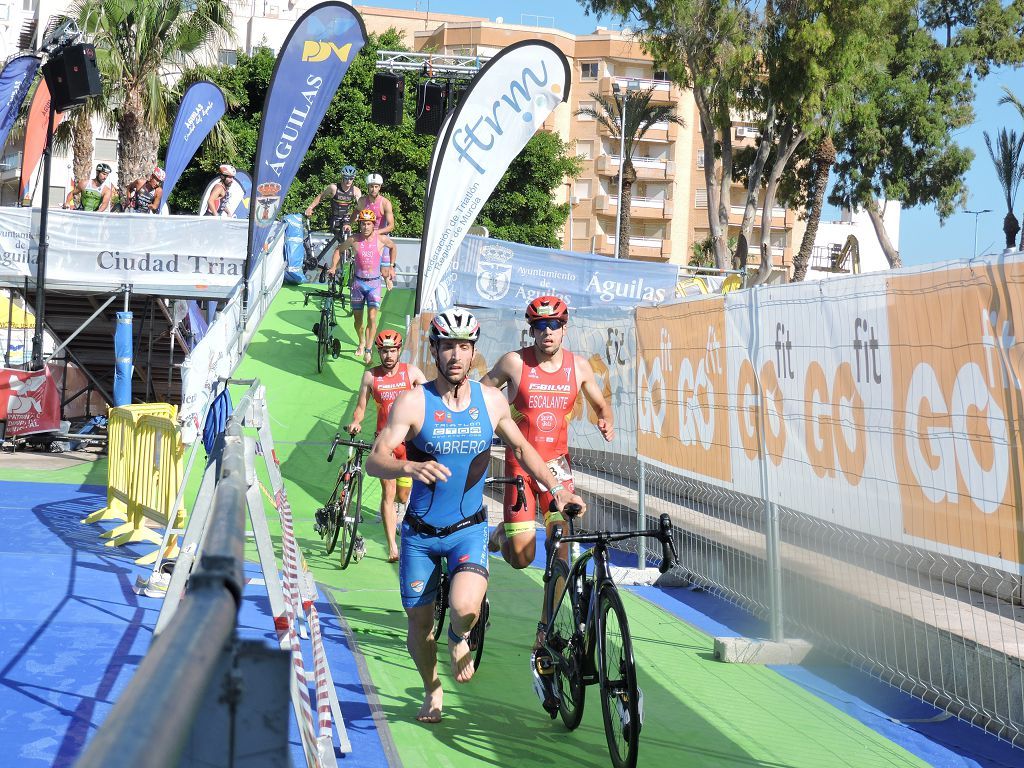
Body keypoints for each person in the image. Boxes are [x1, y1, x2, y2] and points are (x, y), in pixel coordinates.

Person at [366, 307, 585, 723]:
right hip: (419, 535)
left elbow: (522, 449)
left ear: (473, 353)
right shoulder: (413, 402)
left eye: (464, 347)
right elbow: (376, 459)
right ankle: (433, 689)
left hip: (468, 529)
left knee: (466, 606)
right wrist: (407, 467)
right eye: (447, 346)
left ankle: (461, 636)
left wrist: (558, 489)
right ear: (434, 350)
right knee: (419, 628)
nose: (455, 355)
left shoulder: (491, 401)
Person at [481, 295, 614, 647]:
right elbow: (480, 394)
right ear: (532, 331)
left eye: (553, 325)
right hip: (520, 467)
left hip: (558, 470)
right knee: (522, 557)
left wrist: (604, 419)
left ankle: (546, 628)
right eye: (539, 327)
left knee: (560, 547)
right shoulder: (514, 362)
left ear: (564, 328)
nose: (547, 333)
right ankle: (499, 536)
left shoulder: (579, 367)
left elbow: (601, 403)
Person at [346, 329, 427, 562]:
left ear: (399, 350)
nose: (389, 355)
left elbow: (430, 397)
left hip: (410, 443)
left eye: (392, 351)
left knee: (403, 495)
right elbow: (361, 406)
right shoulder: (370, 377)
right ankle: (393, 546)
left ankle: (402, 511)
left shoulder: (411, 373)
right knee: (388, 492)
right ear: (379, 352)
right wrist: (355, 421)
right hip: (385, 441)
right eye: (384, 351)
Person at [329, 208, 398, 364]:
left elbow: (393, 247)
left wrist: (392, 266)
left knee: (372, 318)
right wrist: (334, 267)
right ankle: (361, 341)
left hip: (374, 284)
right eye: (363, 224)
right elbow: (338, 250)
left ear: (373, 225)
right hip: (358, 284)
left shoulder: (381, 239)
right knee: (358, 321)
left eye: (368, 224)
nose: (365, 227)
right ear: (359, 225)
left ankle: (368, 348)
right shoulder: (354, 240)